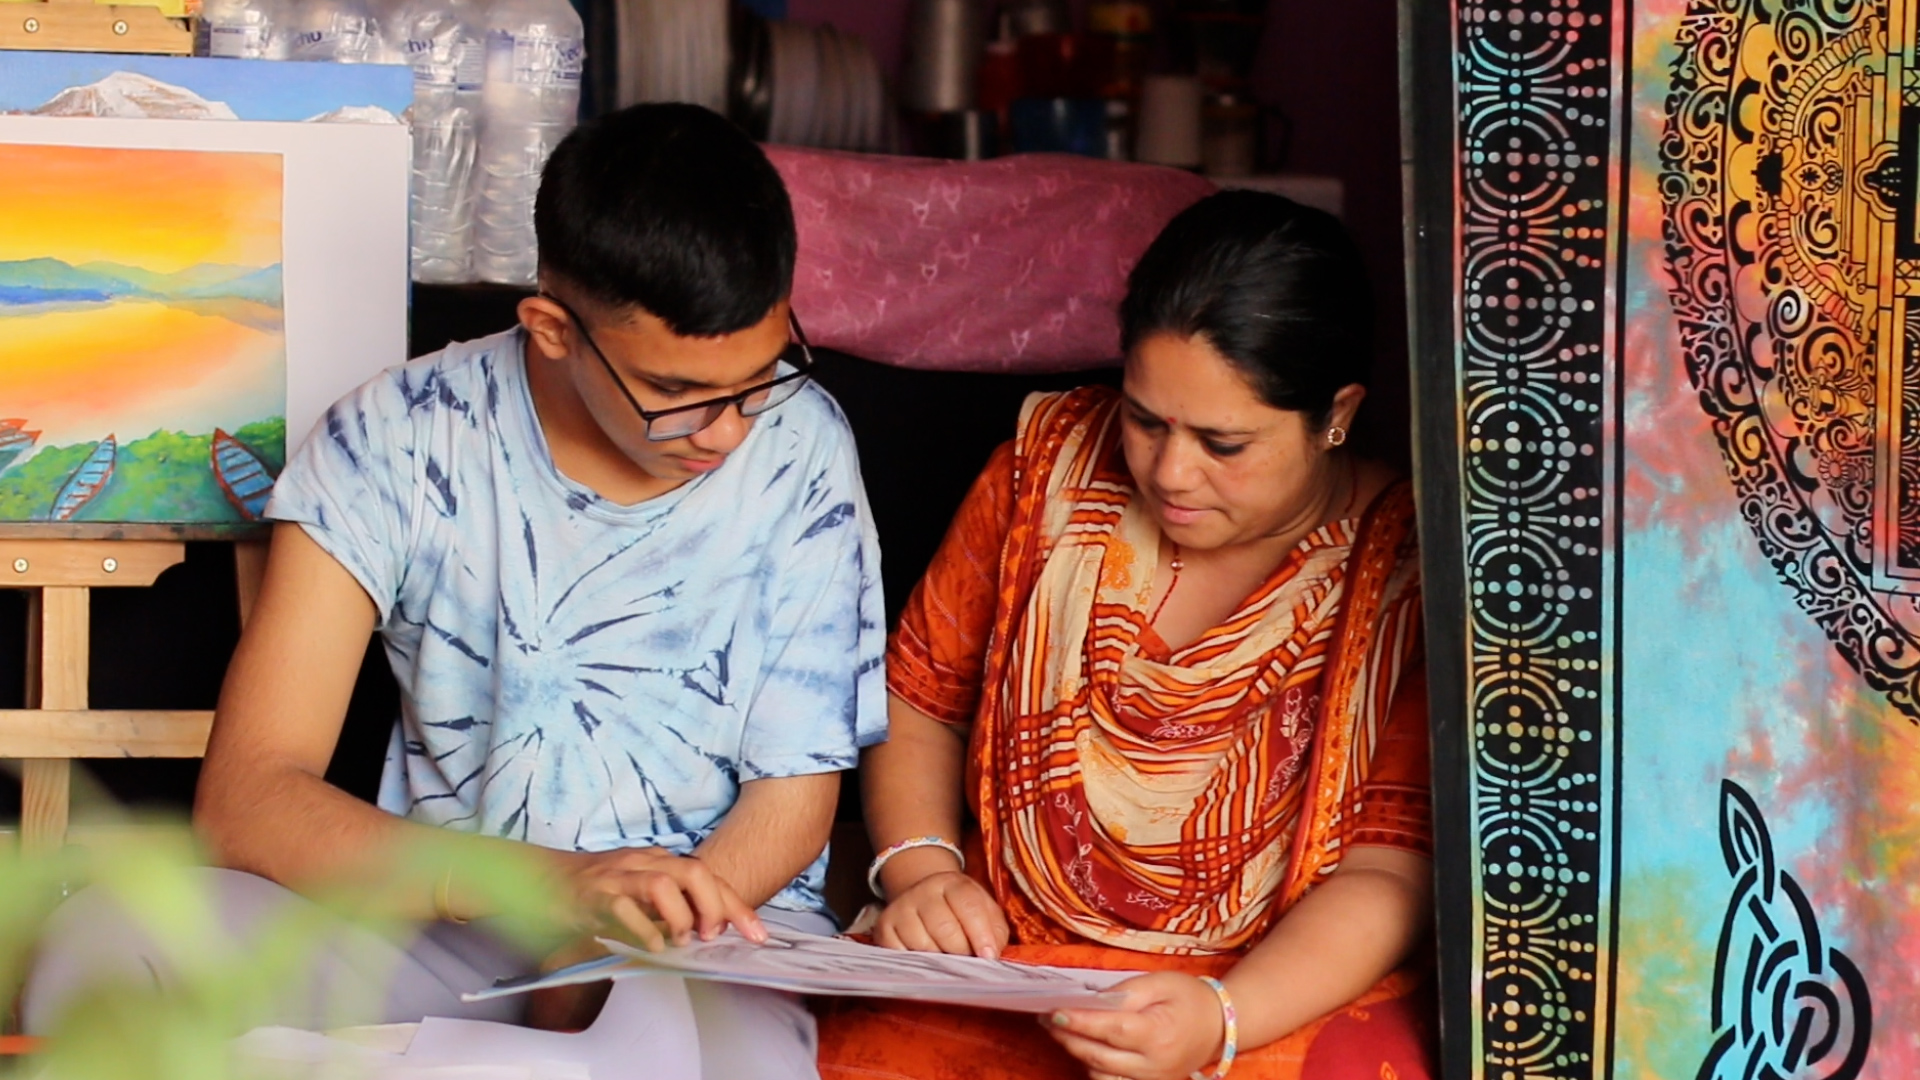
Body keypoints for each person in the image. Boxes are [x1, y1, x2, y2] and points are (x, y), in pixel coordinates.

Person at [25, 104, 886, 1080]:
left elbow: (794, 803)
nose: (729, 429)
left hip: (702, 950)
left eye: (760, 375)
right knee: (116, 935)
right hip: (449, 920)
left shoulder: (802, 447)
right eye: (678, 392)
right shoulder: (391, 436)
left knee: (692, 1054)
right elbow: (249, 800)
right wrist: (552, 890)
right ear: (553, 328)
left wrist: (632, 933)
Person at [816, 191, 1434, 1080]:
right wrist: (921, 875)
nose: (1170, 472)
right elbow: (919, 702)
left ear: (1336, 414)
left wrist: (1220, 1022)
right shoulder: (1048, 471)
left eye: (1224, 443)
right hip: (1002, 969)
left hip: (1263, 993)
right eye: (1146, 420)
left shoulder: (1402, 568)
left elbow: (1388, 876)